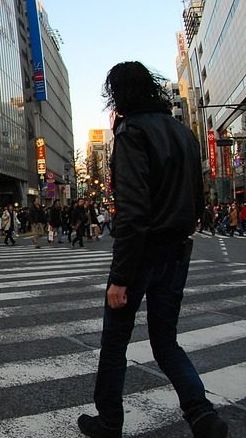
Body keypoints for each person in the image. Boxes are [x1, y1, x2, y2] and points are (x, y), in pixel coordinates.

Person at [78, 61, 227, 438]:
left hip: (142, 252)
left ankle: (110, 421)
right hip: (177, 250)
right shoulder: (181, 131)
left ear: (118, 93)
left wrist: (120, 277)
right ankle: (202, 414)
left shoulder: (131, 132)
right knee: (165, 340)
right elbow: (197, 198)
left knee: (114, 343)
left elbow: (132, 210)